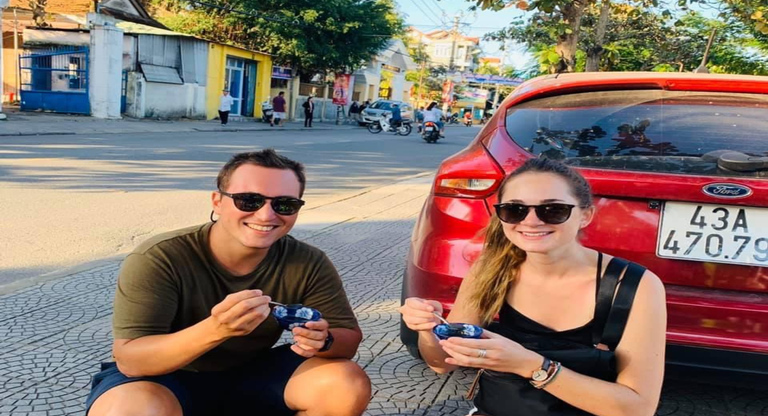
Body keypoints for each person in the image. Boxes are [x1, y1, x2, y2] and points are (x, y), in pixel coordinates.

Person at [86, 149, 371, 416]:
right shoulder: (162, 257)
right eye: (249, 200)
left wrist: (324, 340)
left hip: (253, 372)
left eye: (285, 204)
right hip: (163, 376)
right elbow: (131, 359)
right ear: (217, 202)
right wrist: (216, 329)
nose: (266, 215)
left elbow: (347, 339)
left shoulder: (307, 261)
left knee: (346, 384)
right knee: (130, 409)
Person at [399, 157, 666, 416]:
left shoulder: (634, 286)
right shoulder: (492, 270)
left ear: (585, 215)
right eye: (515, 210)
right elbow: (441, 364)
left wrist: (530, 365)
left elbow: (637, 408)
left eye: (553, 210)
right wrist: (427, 330)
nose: (531, 221)